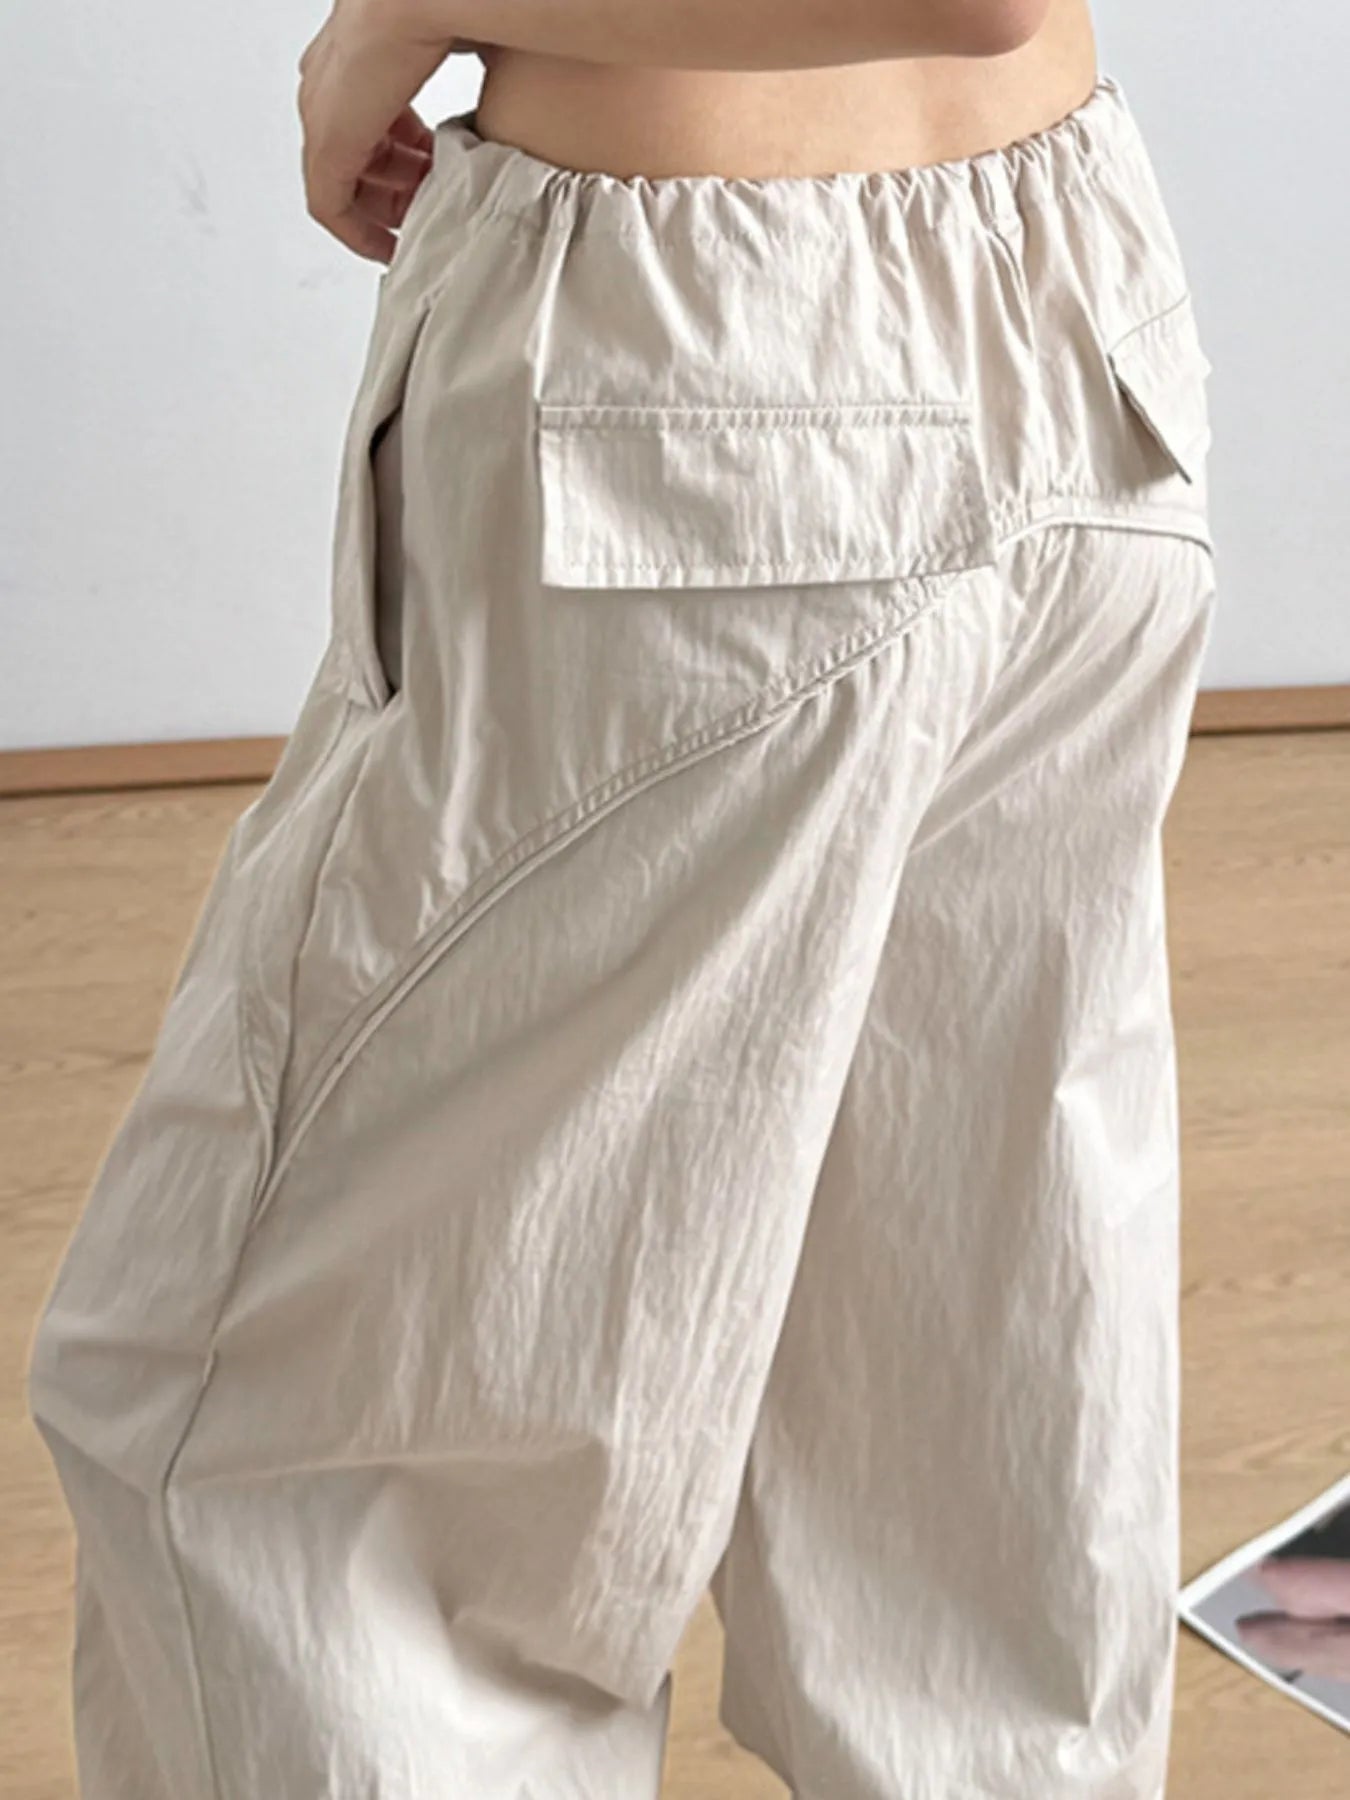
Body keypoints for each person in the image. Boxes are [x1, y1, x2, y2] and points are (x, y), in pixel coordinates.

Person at [26, 2, 1219, 1796]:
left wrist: (401, 10)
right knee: (953, 1370)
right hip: (1059, 296)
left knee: (310, 1467)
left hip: (714, 387)